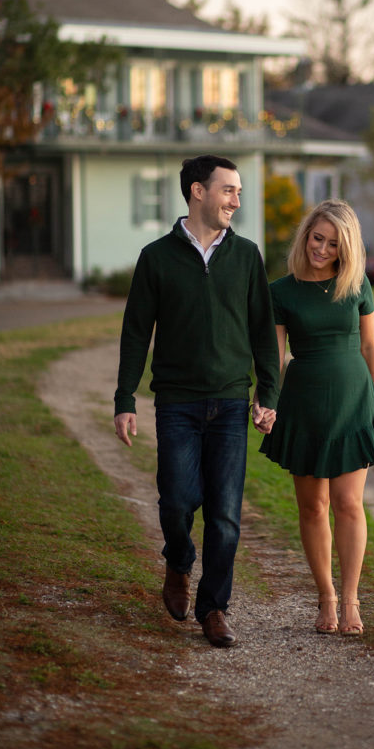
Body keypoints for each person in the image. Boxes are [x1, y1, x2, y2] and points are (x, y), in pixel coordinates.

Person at [113, 154, 279, 649]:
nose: (237, 201)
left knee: (225, 516)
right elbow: (136, 332)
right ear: (198, 191)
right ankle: (179, 561)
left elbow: (263, 331)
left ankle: (213, 608)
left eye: (239, 192)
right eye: (229, 190)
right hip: (177, 403)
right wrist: (125, 398)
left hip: (230, 403)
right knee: (177, 501)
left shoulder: (246, 256)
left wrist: (267, 393)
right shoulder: (156, 257)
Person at [260, 199, 374, 636]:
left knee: (349, 504)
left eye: (333, 244)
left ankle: (351, 600)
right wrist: (265, 402)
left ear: (345, 248)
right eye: (317, 238)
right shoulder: (281, 292)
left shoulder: (357, 284)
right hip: (304, 405)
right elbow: (275, 357)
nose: (322, 249)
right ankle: (326, 598)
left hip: (354, 402)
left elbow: (369, 347)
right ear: (306, 235)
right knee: (313, 506)